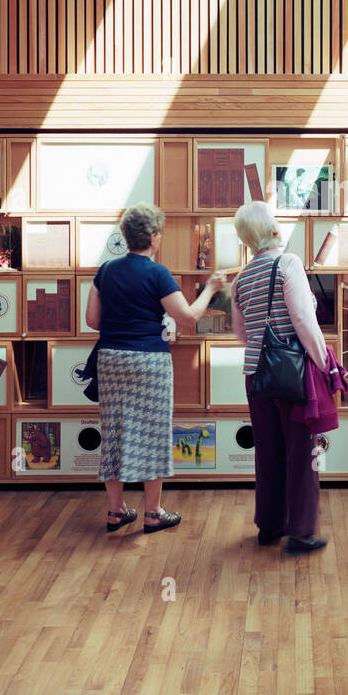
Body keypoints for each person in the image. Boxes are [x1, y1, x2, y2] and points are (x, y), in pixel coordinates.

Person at [85, 203, 224, 535]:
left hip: (112, 360)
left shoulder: (106, 271)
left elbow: (92, 321)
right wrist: (211, 288)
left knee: (115, 432)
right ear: (153, 237)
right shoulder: (157, 273)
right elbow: (188, 318)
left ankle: (116, 511)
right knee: (154, 432)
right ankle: (152, 513)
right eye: (159, 232)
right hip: (149, 361)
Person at [230, 201, 329, 554]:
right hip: (292, 371)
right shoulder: (288, 263)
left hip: (256, 373)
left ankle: (269, 525)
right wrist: (325, 363)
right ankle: (302, 531)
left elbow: (242, 334)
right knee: (303, 452)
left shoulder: (241, 278)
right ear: (273, 230)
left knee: (268, 452)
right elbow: (303, 321)